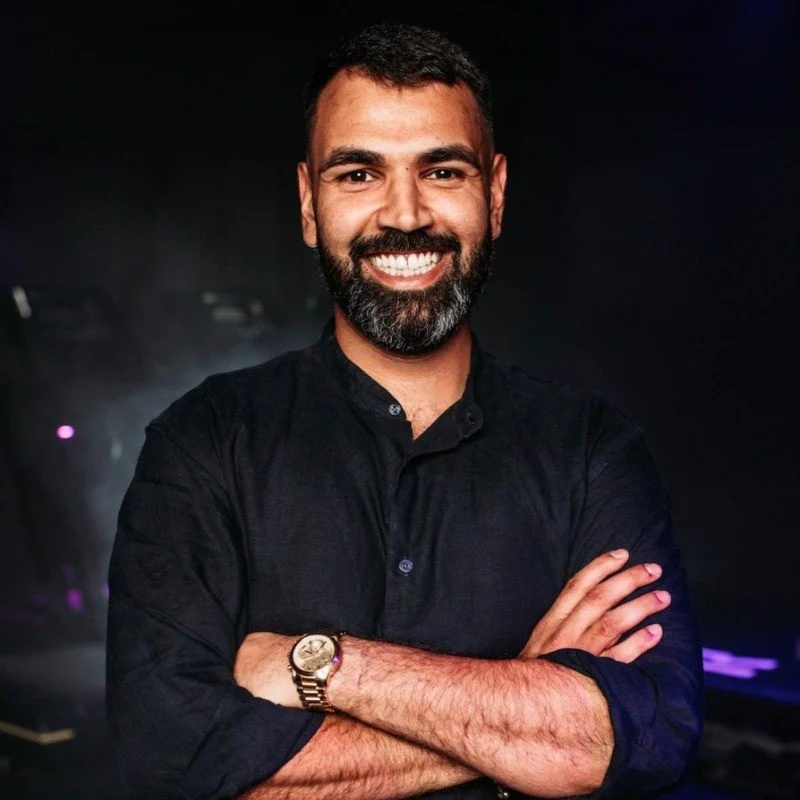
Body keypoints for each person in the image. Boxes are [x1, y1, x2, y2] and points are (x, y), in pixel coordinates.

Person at [106, 22, 703, 800]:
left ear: (494, 194)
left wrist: (320, 664)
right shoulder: (203, 442)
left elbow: (651, 736)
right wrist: (522, 710)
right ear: (308, 204)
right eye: (358, 174)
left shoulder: (594, 449)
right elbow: (173, 762)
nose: (405, 214)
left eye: (442, 171)